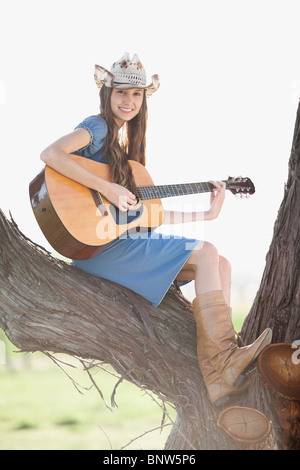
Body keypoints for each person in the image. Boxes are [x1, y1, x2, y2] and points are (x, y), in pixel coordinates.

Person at [40, 52, 272, 407]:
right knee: (207, 253)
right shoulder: (98, 127)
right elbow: (51, 153)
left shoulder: (127, 149)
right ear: (107, 94)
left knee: (220, 264)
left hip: (123, 242)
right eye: (121, 93)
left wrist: (206, 214)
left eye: (136, 95)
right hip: (99, 249)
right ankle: (224, 361)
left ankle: (218, 379)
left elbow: (146, 217)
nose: (128, 101)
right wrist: (107, 188)